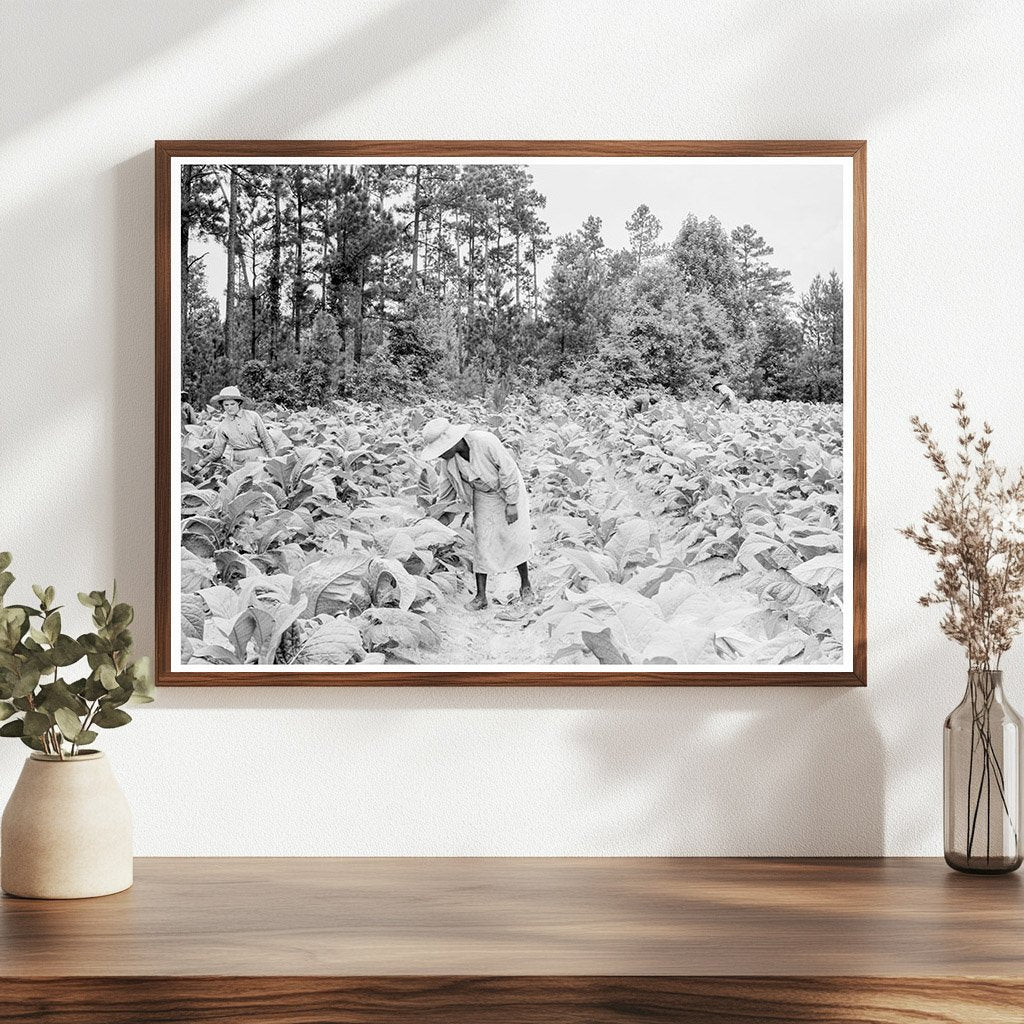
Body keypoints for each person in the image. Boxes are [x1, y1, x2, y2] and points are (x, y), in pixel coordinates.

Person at [421, 417, 533, 611]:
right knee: (482, 542)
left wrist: (511, 503)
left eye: (441, 450)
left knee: (514, 536)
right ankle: (481, 597)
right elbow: (446, 497)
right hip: (483, 495)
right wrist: (434, 523)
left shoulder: (485, 441)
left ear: (452, 442)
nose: (440, 456)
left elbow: (508, 470)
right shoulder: (448, 463)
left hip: (509, 488)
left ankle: (525, 585)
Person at [202, 385, 275, 466]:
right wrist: (202, 462)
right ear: (222, 405)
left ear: (239, 403)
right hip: (238, 463)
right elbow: (217, 452)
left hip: (259, 459)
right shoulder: (222, 426)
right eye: (226, 405)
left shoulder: (253, 416)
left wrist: (273, 460)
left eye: (232, 404)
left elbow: (266, 439)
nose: (229, 408)